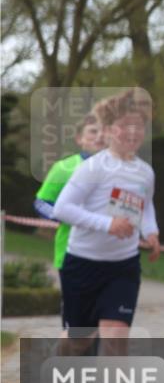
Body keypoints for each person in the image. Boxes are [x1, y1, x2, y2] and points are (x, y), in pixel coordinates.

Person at [53, 88, 160, 355]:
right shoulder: (93, 167)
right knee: (81, 341)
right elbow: (62, 209)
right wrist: (107, 224)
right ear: (110, 129)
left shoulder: (145, 172)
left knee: (116, 336)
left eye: (139, 126)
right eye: (125, 126)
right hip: (82, 264)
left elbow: (145, 207)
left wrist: (152, 232)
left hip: (123, 266)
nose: (133, 132)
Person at [35, 112, 105, 271]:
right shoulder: (63, 168)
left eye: (104, 132)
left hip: (109, 256)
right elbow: (41, 202)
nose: (100, 136)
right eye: (93, 131)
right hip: (71, 253)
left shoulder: (121, 170)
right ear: (79, 139)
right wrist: (64, 215)